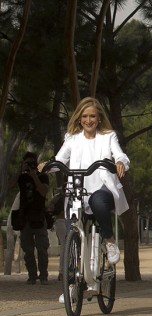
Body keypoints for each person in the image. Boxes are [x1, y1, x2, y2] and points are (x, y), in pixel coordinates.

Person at [42, 97, 129, 267]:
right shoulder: (72, 139)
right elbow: (59, 160)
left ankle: (109, 240)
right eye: (84, 117)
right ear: (79, 119)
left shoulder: (108, 137)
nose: (88, 120)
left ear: (99, 119)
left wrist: (120, 163)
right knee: (70, 237)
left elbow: (120, 155)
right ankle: (70, 288)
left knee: (97, 199)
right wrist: (46, 166)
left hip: (103, 191)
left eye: (92, 116)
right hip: (77, 192)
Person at [14, 152, 50, 284]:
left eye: (31, 163)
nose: (29, 165)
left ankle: (44, 275)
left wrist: (34, 176)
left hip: (39, 217)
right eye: (27, 163)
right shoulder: (21, 178)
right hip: (25, 218)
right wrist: (20, 171)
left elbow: (43, 191)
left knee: (42, 248)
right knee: (27, 249)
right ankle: (32, 275)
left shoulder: (43, 176)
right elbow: (10, 185)